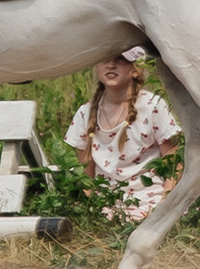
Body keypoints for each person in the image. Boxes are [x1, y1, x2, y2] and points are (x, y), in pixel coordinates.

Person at [64, 48, 181, 219]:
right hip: (106, 203)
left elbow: (173, 158)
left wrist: (167, 200)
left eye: (120, 59)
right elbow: (86, 171)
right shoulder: (86, 113)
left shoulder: (152, 105)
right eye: (105, 59)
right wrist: (90, 207)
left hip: (151, 200)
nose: (111, 65)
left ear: (135, 69)